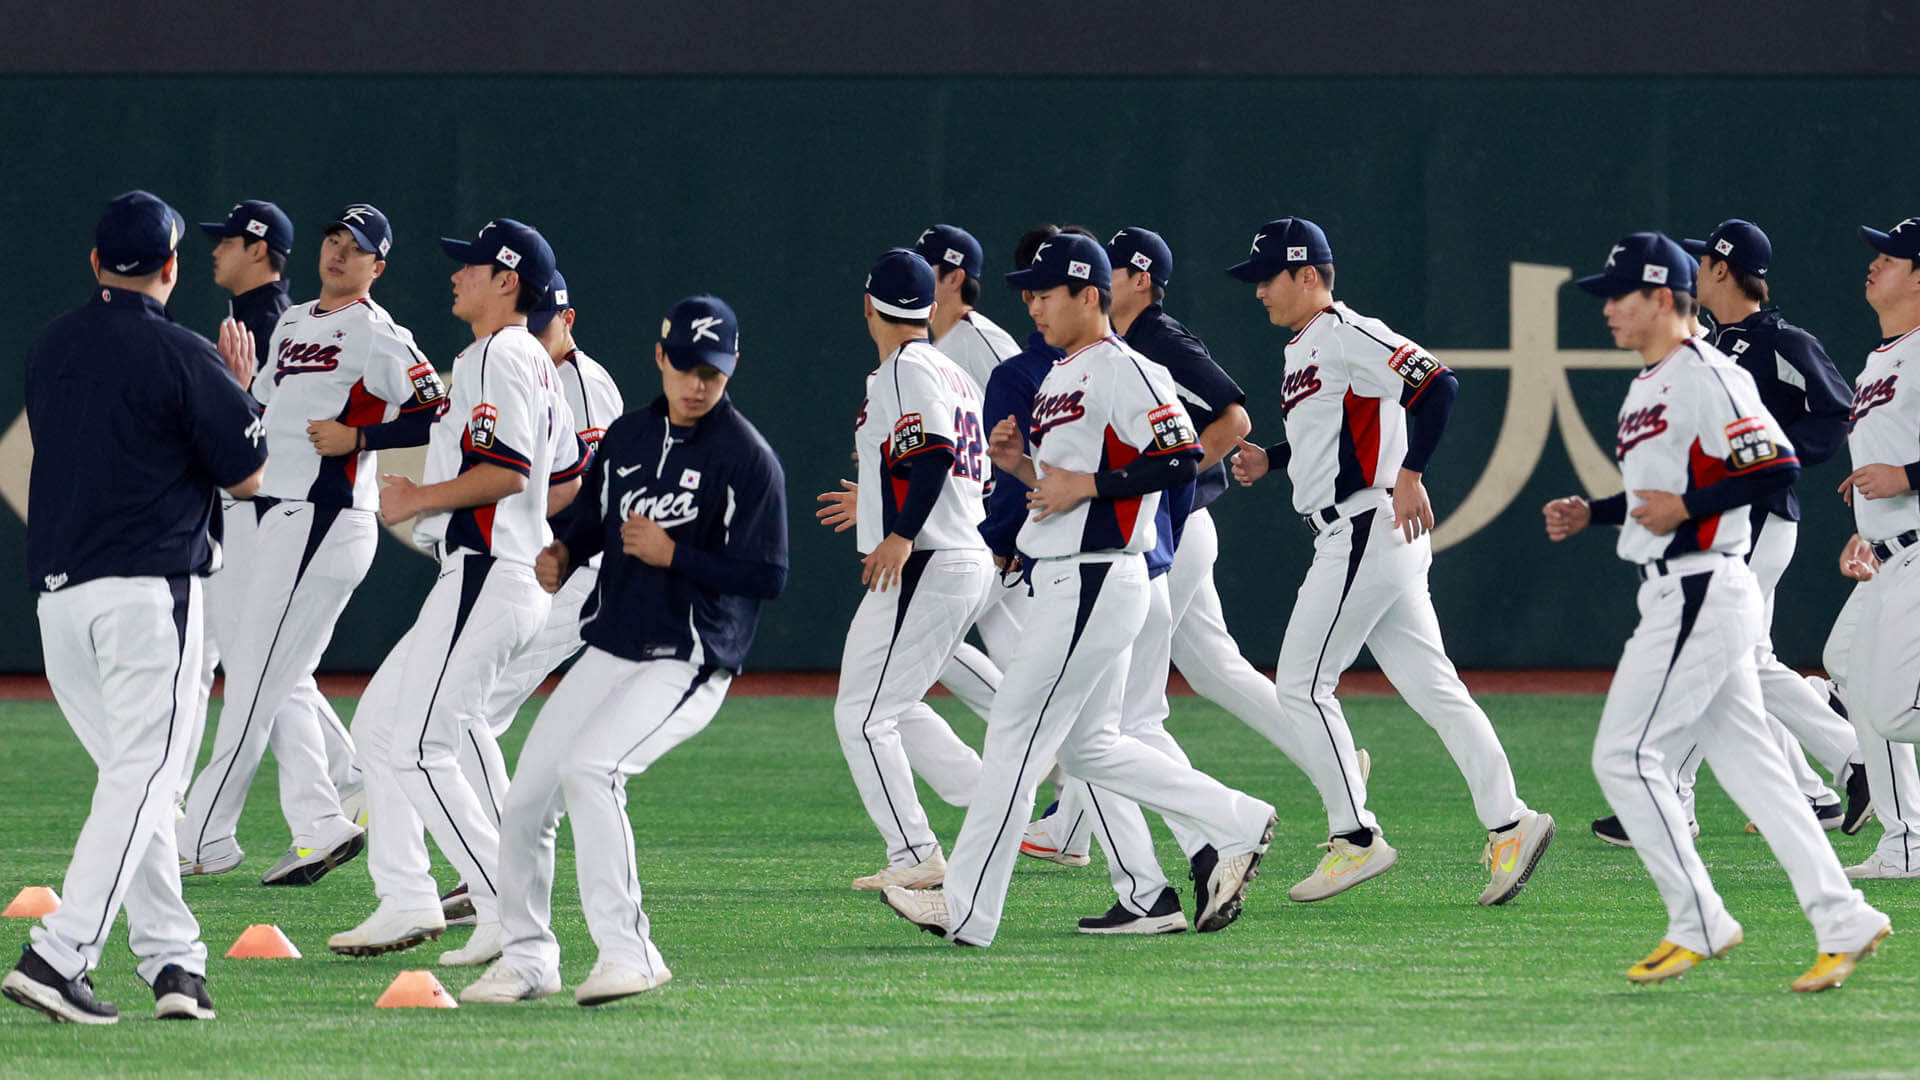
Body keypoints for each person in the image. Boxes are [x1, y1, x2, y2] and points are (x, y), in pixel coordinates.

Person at [880, 233, 1276, 946]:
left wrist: (1086, 484)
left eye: (1045, 292)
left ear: (1089, 295)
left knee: (1014, 738)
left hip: (1095, 575)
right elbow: (1064, 487)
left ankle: (967, 911)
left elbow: (1182, 455)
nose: (1032, 304)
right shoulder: (1065, 372)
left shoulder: (1127, 367)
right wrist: (1022, 468)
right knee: (1092, 748)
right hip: (1071, 570)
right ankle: (1239, 818)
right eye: (1027, 292)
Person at [1543, 231, 1889, 991]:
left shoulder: (1708, 370)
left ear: (1665, 296)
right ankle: (1845, 919)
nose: (1607, 310)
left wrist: (1694, 505)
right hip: (1678, 579)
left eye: (1620, 295)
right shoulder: (1651, 381)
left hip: (1701, 582)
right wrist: (1597, 512)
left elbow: (1778, 461)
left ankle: (1698, 918)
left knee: (1626, 757)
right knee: (1759, 773)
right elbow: (1657, 495)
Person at [461, 295, 788, 1007]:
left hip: (691, 654)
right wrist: (564, 550)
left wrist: (676, 555)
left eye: (714, 372)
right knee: (525, 800)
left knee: (592, 769)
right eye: (687, 367)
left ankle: (630, 952)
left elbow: (767, 576)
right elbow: (591, 517)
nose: (698, 384)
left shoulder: (747, 458)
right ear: (660, 358)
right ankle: (527, 957)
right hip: (613, 644)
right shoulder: (630, 437)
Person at [1227, 217, 1552, 905]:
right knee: (1435, 688)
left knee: (1301, 684)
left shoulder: (1348, 331)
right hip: (1360, 527)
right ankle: (1510, 821)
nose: (1259, 291)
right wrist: (1274, 458)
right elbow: (1332, 434)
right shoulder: (1307, 347)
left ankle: (1356, 839)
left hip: (1367, 525)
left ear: (1308, 274)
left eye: (1268, 277)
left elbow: (1438, 383)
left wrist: (1411, 471)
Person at [4, 191, 266, 1023]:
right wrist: (242, 389)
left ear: (93, 263)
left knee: (137, 784)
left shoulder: (49, 348)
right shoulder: (186, 354)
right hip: (149, 595)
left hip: (59, 602)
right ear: (172, 266)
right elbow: (247, 474)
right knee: (147, 778)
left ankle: (173, 964)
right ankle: (59, 954)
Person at [327, 219, 586, 965]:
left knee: (418, 744)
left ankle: (504, 905)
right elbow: (563, 475)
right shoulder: (532, 360)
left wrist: (422, 499)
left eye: (470, 266)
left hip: (488, 570)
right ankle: (406, 895)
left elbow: (508, 471)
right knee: (380, 725)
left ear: (508, 281)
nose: (456, 275)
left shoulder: (497, 353)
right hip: (495, 569)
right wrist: (530, 519)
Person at [1590, 218, 1875, 846]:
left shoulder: (1780, 341)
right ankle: (1823, 784)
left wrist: (1773, 459)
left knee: (1724, 653)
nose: (1693, 271)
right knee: (1741, 660)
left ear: (1722, 270)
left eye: (1701, 262)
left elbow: (1836, 410)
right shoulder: (1716, 343)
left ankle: (1850, 758)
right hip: (1730, 518)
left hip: (1761, 519)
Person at [180, 203, 441, 886]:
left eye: (355, 247)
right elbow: (267, 408)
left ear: (375, 267)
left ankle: (202, 836)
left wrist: (363, 439)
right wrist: (240, 395)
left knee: (256, 680)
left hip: (326, 518)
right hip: (280, 516)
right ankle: (322, 820)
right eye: (333, 239)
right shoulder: (294, 323)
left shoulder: (377, 331)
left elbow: (434, 406)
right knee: (273, 674)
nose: (337, 252)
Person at [442, 272, 625, 926]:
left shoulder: (580, 380)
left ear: (568, 317)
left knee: (465, 708)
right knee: (468, 709)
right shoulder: (517, 369)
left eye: (550, 318)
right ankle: (491, 866)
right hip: (554, 565)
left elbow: (588, 489)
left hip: (577, 571)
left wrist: (518, 517)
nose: (539, 327)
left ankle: (496, 872)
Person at [185, 200, 362, 837]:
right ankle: (344, 785)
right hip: (263, 514)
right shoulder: (273, 318)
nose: (215, 250)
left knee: (256, 666)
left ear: (258, 248)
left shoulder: (272, 320)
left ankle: (205, 826)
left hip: (267, 515)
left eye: (226, 240)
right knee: (269, 666)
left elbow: (249, 430)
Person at [828, 249, 992, 892]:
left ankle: (915, 854)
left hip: (928, 558)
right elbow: (936, 460)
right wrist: (874, 501)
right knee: (884, 704)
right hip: (953, 553)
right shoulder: (949, 370)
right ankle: (989, 793)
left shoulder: (902, 369)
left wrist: (896, 532)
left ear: (868, 305)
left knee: (864, 718)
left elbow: (934, 456)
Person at [1824, 217, 1920, 881]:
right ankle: (1905, 843)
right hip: (1888, 551)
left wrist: (1907, 478)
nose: (1876, 262)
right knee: (1846, 667)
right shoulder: (1880, 358)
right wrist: (1868, 517)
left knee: (1891, 705)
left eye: (1892, 255)